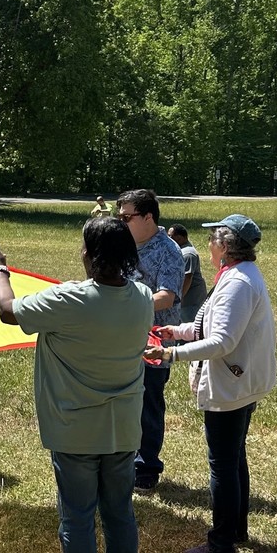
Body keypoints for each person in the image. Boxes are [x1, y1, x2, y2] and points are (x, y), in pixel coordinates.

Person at [0, 218, 154, 553]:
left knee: (77, 518)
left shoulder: (68, 300)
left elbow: (8, 311)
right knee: (120, 513)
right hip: (124, 428)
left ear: (89, 255)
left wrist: (0, 267)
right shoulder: (143, 297)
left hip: (75, 431)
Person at [147, 214, 277, 553]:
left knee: (222, 463)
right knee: (233, 459)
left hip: (231, 385)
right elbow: (213, 324)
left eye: (212, 240)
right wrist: (180, 331)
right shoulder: (236, 276)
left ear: (224, 245)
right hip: (240, 381)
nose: (208, 245)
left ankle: (221, 543)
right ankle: (235, 530)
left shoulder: (237, 283)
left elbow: (221, 340)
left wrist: (171, 353)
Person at [116, 189, 185, 493]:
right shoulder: (124, 245)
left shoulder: (168, 251)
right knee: (123, 401)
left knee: (148, 403)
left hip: (153, 342)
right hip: (122, 337)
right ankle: (124, 461)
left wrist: (130, 303)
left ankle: (146, 469)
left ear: (147, 217)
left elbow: (167, 296)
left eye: (126, 217)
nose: (121, 222)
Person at [168, 224, 208, 323]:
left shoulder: (188, 254)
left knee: (190, 328)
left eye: (170, 236)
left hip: (191, 301)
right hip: (186, 302)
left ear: (180, 238)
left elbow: (187, 278)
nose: (168, 239)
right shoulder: (181, 250)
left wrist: (178, 299)